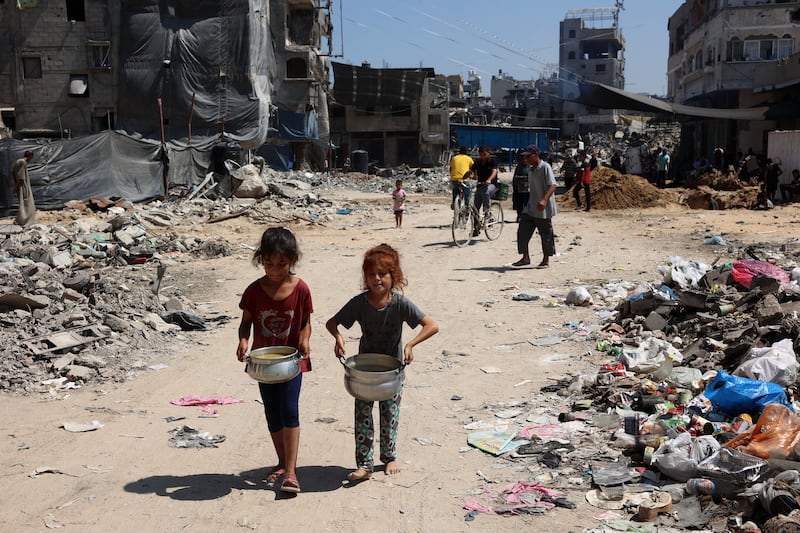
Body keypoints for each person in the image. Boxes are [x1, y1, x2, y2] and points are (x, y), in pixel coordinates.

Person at [326, 244, 439, 482]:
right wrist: (338, 338)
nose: (376, 279)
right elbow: (331, 323)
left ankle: (389, 458)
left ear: (393, 277)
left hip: (392, 371)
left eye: (383, 274)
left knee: (390, 415)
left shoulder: (400, 304)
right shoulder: (359, 303)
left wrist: (410, 345)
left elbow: (431, 325)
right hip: (365, 372)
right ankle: (365, 464)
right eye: (371, 274)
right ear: (365, 277)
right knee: (363, 416)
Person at [236, 227, 313, 494]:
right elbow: (245, 324)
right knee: (272, 413)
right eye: (269, 264)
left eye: (282, 264)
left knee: (290, 410)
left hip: (292, 362)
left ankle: (291, 473)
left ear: (292, 261)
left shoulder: (301, 289)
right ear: (261, 260)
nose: (275, 269)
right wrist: (243, 341)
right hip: (264, 363)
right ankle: (282, 461)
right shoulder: (254, 292)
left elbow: (305, 323)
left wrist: (305, 340)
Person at [512, 145, 557, 269]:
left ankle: (545, 260)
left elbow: (553, 185)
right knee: (522, 232)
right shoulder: (531, 170)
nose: (526, 159)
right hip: (531, 206)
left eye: (528, 156)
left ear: (536, 155)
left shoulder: (545, 167)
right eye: (525, 156)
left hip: (543, 209)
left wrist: (544, 200)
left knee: (545, 234)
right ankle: (525, 258)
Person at [472, 146, 498, 235]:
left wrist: (489, 179)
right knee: (475, 208)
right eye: (481, 154)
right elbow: (471, 170)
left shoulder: (492, 161)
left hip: (491, 185)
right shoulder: (478, 162)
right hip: (480, 186)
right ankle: (476, 228)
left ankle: (487, 211)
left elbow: (494, 171)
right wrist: (464, 177)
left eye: (484, 154)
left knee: (486, 191)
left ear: (488, 153)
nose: (482, 156)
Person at [12, 150, 36, 227]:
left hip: (19, 185)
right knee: (27, 203)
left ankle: (21, 219)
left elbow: (14, 174)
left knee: (23, 202)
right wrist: (17, 186)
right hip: (23, 186)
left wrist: (15, 185)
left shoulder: (18, 161)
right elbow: (21, 177)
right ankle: (25, 220)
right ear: (30, 156)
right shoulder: (23, 163)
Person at [449, 146, 473, 210]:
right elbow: (472, 169)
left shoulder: (454, 158)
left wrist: (452, 176)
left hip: (454, 179)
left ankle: (454, 202)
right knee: (467, 193)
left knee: (455, 189)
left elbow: (451, 168)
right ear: (466, 152)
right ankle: (467, 207)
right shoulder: (469, 159)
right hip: (464, 179)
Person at [511, 156, 530, 223]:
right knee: (520, 203)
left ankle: (527, 217)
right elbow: (514, 178)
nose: (525, 160)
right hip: (519, 189)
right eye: (523, 159)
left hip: (528, 189)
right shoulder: (519, 167)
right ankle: (519, 216)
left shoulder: (530, 167)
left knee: (527, 202)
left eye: (526, 159)